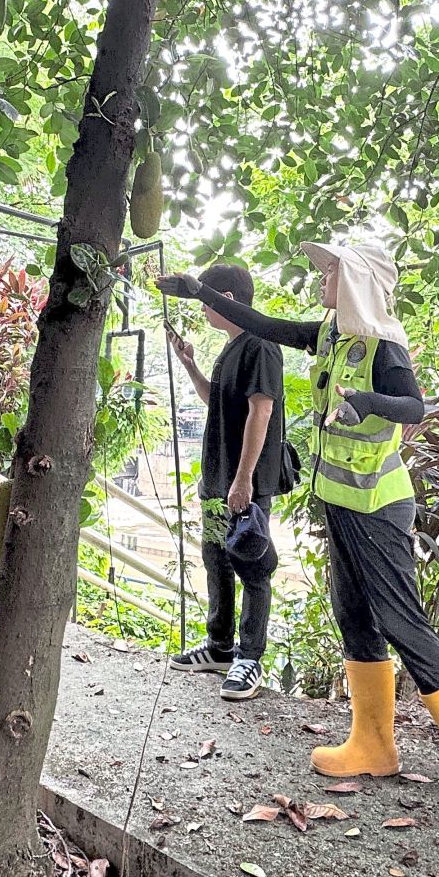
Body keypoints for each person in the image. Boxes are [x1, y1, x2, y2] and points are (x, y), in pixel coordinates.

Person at [158, 244, 439, 829]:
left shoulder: (381, 346)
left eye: (331, 271)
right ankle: (374, 743)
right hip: (340, 504)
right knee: (353, 616)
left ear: (356, 282)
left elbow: (413, 407)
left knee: (402, 622)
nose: (322, 278)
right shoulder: (331, 338)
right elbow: (261, 323)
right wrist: (197, 291)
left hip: (377, 506)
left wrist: (366, 402)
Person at [165, 263, 286, 701]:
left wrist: (243, 479)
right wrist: (190, 364)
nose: (201, 308)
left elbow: (262, 410)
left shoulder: (261, 345)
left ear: (227, 299)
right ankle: (219, 647)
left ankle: (249, 657)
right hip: (217, 479)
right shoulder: (231, 347)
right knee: (216, 559)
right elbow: (213, 398)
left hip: (243, 481)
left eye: (206, 298)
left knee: (251, 562)